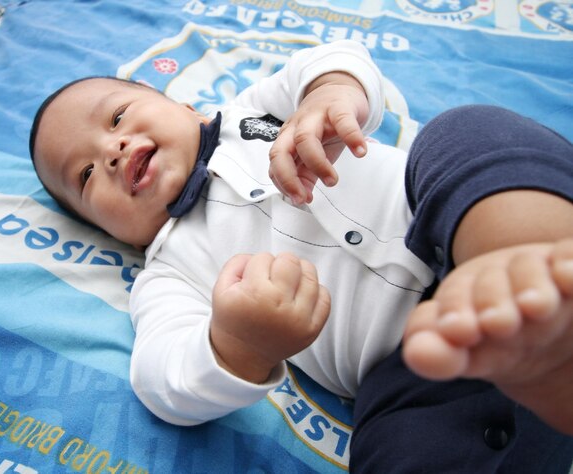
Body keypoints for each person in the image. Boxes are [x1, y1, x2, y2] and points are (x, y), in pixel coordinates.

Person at [29, 40, 573, 472]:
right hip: (421, 363)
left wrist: (325, 96)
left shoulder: (250, 114)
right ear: (111, 231)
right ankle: (544, 361)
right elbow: (161, 379)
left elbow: (330, 61)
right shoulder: (169, 272)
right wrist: (238, 342)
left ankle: (537, 265)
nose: (111, 150)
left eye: (118, 116)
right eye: (83, 176)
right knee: (396, 441)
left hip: (452, 215)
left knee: (464, 133)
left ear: (184, 106)